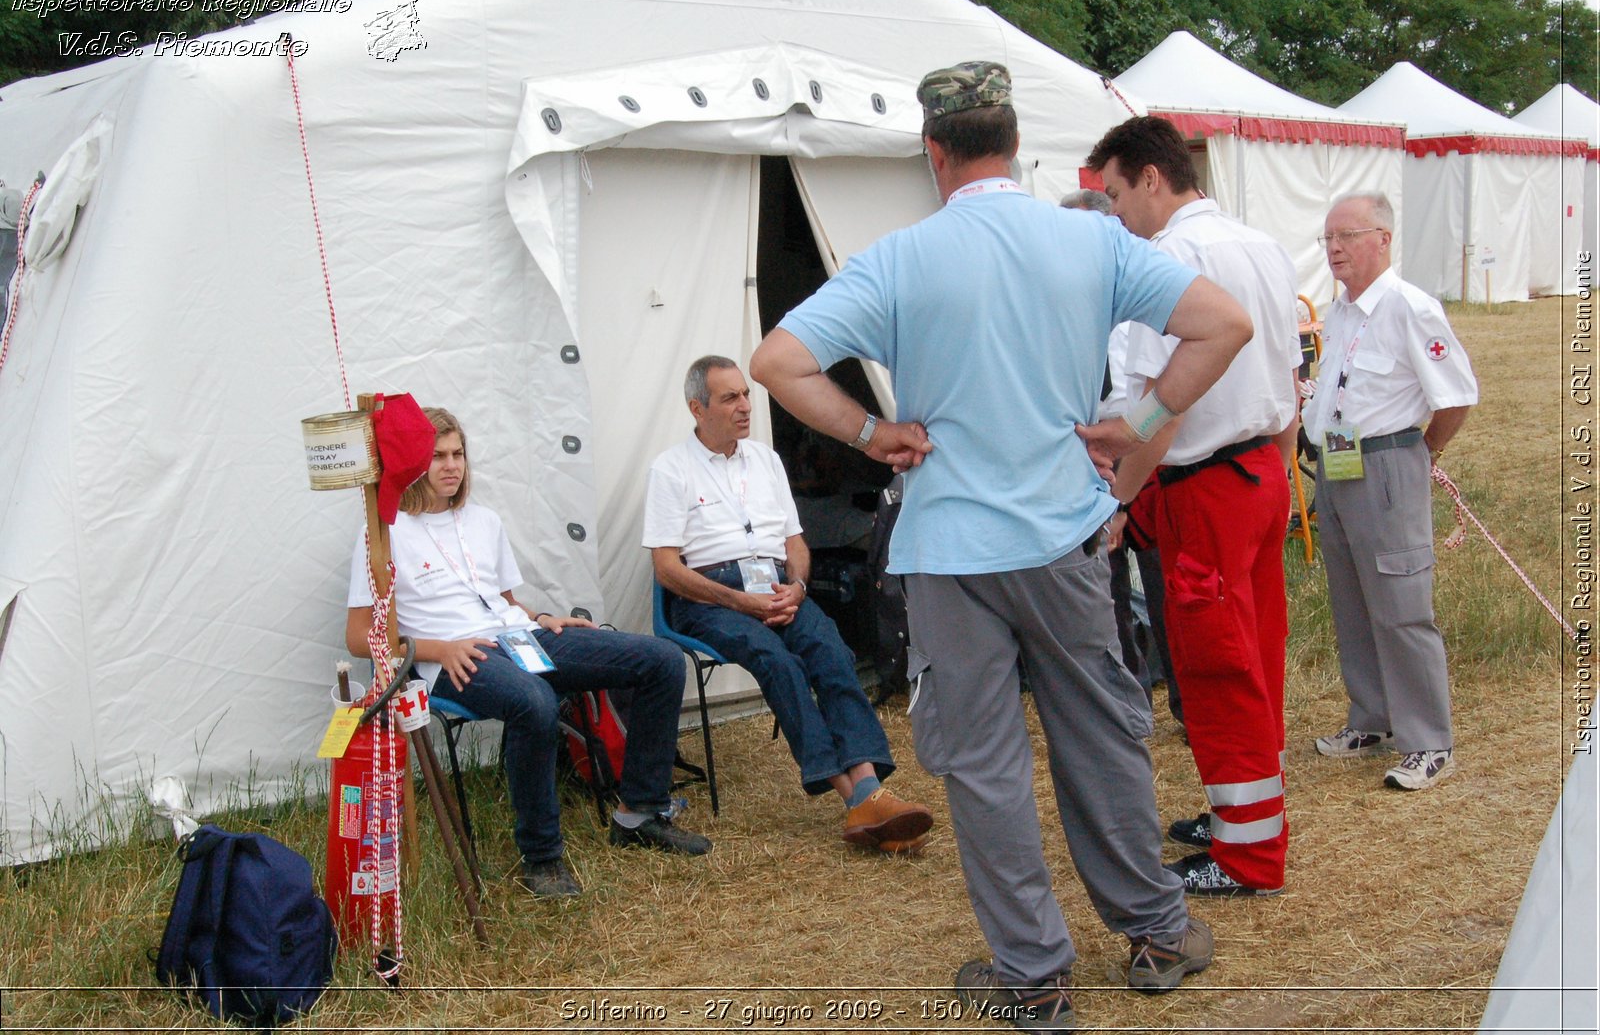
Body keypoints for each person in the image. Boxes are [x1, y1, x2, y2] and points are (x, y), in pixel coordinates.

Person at [751, 61, 1254, 1031]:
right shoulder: (1091, 238)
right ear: (1014, 144)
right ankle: (1153, 930)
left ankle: (1034, 973)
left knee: (980, 761)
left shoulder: (900, 257)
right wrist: (1139, 416)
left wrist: (869, 433)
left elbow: (780, 361)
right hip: (1065, 533)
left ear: (933, 152)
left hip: (950, 547)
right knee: (1099, 733)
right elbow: (1221, 325)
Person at [346, 407, 710, 899]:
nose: (452, 466)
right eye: (437, 457)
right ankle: (542, 858)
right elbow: (359, 636)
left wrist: (542, 620)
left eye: (458, 454)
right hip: (447, 658)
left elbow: (505, 603)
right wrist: (436, 648)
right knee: (534, 700)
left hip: (517, 637)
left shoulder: (483, 521)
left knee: (661, 659)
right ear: (412, 464)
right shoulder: (385, 535)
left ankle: (641, 813)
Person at [1085, 116, 1302, 900]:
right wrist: (1278, 473)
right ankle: (1248, 818)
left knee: (1218, 669)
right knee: (1257, 654)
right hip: (1258, 473)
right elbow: (1289, 376)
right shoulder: (1262, 246)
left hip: (1205, 485)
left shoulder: (1168, 258)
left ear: (1151, 177)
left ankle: (1245, 855)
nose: (1114, 213)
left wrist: (1116, 503)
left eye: (1114, 194)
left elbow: (1159, 405)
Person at [642, 356, 934, 854]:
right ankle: (856, 800)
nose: (744, 405)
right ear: (697, 407)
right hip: (711, 595)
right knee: (779, 662)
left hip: (776, 585)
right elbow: (667, 569)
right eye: (729, 397)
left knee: (832, 653)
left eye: (745, 394)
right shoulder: (671, 469)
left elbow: (795, 542)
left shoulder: (765, 459)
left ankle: (868, 791)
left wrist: (797, 586)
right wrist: (740, 600)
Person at [1302, 191, 1477, 790]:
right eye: (1328, 238)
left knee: (1402, 607)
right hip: (1339, 465)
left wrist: (1420, 455)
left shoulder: (1410, 308)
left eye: (1347, 236)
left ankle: (1428, 739)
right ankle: (1372, 718)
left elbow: (1455, 396)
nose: (1334, 248)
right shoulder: (1343, 310)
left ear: (1383, 239)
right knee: (1352, 599)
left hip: (1386, 466)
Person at [1062, 188, 1177, 716]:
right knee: (1103, 592)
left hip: (1147, 451)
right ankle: (1128, 704)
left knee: (1165, 583)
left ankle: (1184, 699)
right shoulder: (1057, 306)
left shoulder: (1147, 293)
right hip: (1088, 459)